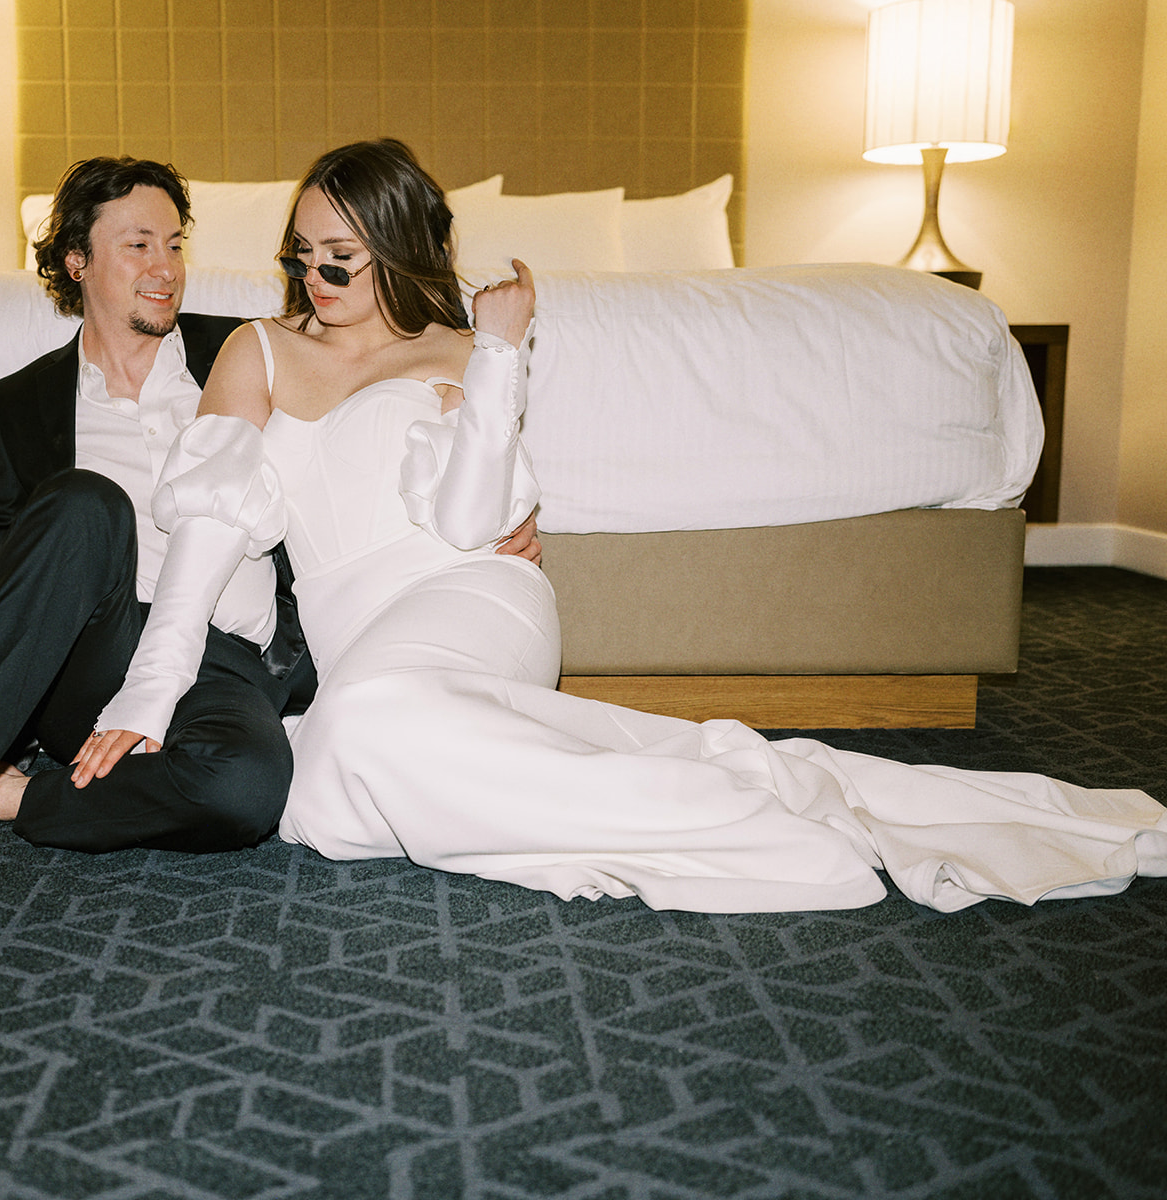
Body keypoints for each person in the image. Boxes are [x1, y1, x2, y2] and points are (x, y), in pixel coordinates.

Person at [85, 138, 1167, 914]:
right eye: (300, 253)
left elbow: (470, 520)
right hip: (363, 632)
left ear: (399, 249)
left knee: (359, 739)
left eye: (342, 257)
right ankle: (721, 789)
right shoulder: (256, 352)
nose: (314, 277)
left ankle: (747, 831)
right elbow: (214, 520)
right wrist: (152, 683)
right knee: (320, 791)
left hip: (470, 594)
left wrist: (501, 352)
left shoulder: (460, 354)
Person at [0, 155, 540, 959]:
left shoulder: (251, 349)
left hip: (227, 658)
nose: (165, 269)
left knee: (246, 790)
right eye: (137, 246)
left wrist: (501, 519)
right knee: (88, 504)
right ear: (76, 262)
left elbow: (375, 424)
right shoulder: (23, 404)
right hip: (93, 652)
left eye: (175, 244)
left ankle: (8, 796)